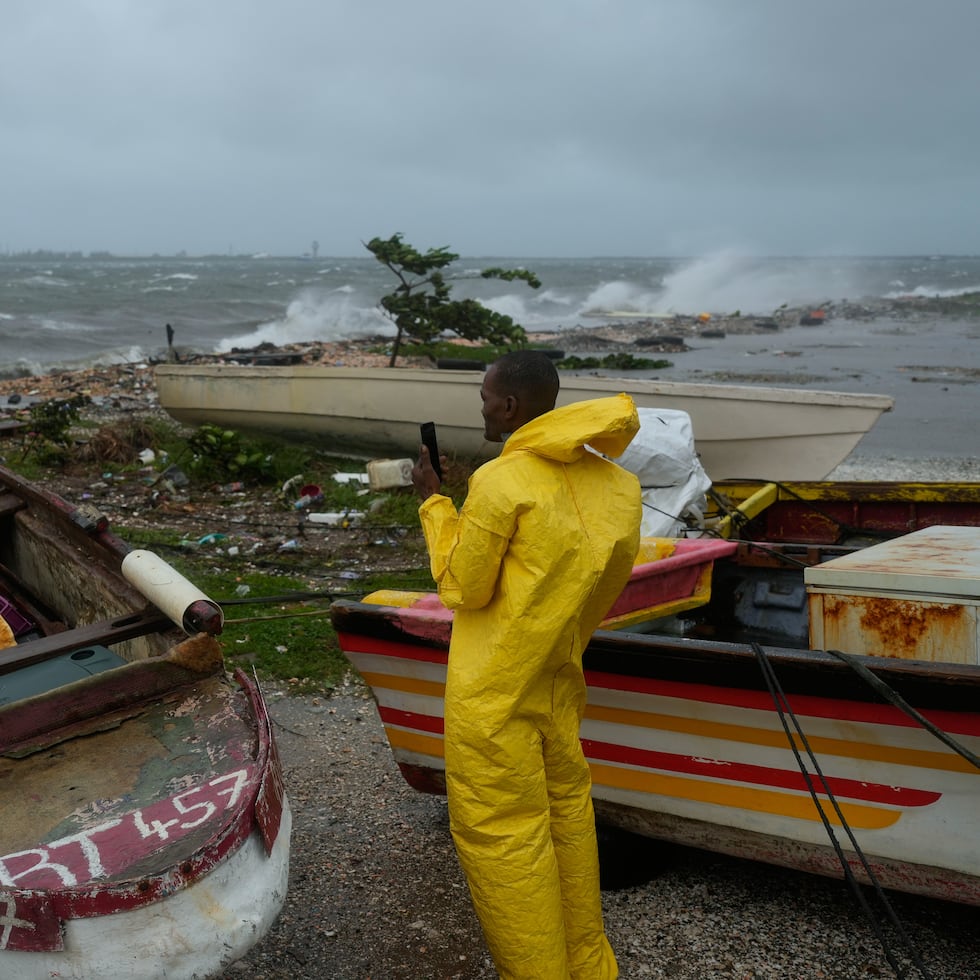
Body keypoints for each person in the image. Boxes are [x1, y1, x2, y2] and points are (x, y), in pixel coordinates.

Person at [412, 350, 642, 979]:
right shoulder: (620, 487)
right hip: (559, 678)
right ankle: (590, 969)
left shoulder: (501, 481)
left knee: (505, 839)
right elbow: (597, 583)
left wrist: (434, 504)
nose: (483, 409)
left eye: (486, 398)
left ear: (509, 405)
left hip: (493, 694)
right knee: (568, 819)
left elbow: (463, 588)